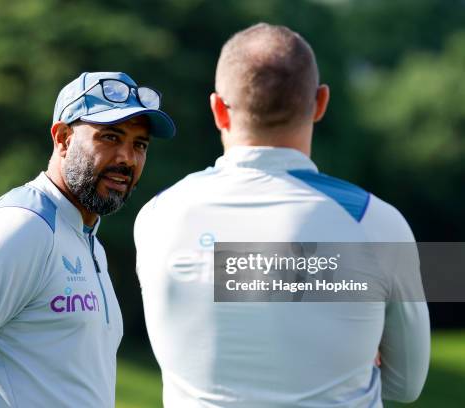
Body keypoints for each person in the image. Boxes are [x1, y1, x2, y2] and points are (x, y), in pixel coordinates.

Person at [134, 23, 430, 407]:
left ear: (219, 110)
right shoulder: (378, 222)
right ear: (320, 103)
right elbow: (406, 386)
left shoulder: (158, 215)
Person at [0, 71, 175, 407]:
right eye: (110, 137)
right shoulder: (22, 229)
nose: (127, 159)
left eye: (139, 145)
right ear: (62, 138)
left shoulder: (88, 240)